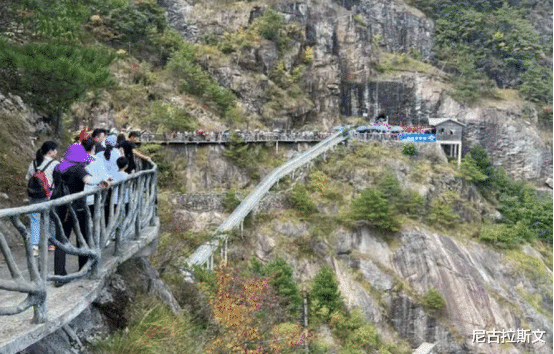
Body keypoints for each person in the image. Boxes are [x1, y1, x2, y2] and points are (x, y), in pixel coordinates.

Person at [53, 138, 110, 286]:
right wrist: (102, 180)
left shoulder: (58, 167)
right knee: (83, 236)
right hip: (77, 207)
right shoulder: (78, 168)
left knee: (61, 239)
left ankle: (59, 275)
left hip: (61, 207)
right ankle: (84, 267)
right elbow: (89, 181)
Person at [25, 141, 60, 256]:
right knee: (51, 220)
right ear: (50, 151)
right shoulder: (55, 164)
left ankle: (34, 247)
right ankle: (51, 244)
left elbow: (27, 178)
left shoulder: (34, 163)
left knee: (34, 220)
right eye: (55, 149)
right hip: (49, 196)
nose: (56, 151)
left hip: (33, 195)